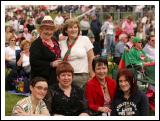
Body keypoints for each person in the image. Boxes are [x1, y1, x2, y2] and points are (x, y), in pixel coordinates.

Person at [59, 18, 95, 89]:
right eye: (70, 27)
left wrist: (92, 75)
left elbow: (91, 58)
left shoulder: (84, 39)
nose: (73, 29)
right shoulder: (62, 43)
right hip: (66, 77)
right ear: (66, 30)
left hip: (82, 77)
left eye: (75, 27)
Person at [30, 15, 62, 86]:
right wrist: (51, 64)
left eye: (51, 29)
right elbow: (34, 62)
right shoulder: (36, 44)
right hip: (42, 81)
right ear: (41, 30)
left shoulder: (54, 41)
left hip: (56, 78)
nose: (49, 32)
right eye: (46, 29)